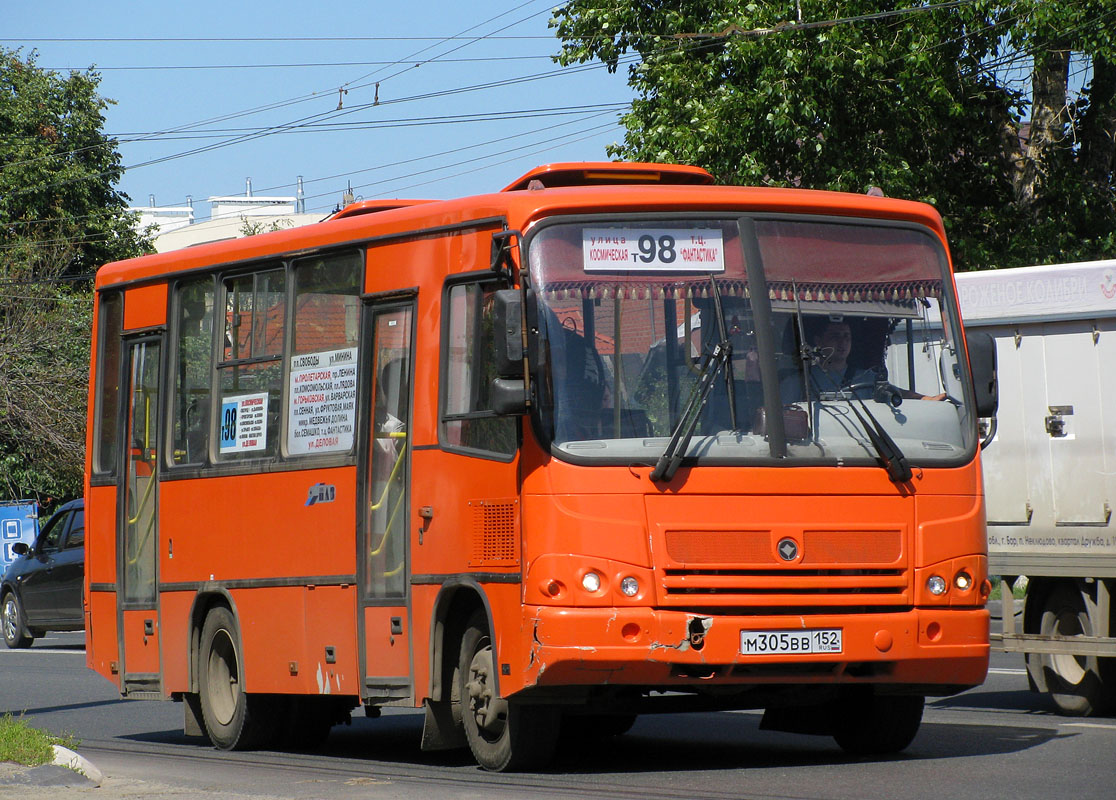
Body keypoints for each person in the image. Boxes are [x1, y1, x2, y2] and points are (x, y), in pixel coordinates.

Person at [782, 318, 945, 402]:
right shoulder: (799, 381)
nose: (842, 342)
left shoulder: (867, 378)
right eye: (835, 336)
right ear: (818, 341)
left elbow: (895, 393)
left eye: (847, 336)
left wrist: (926, 399)